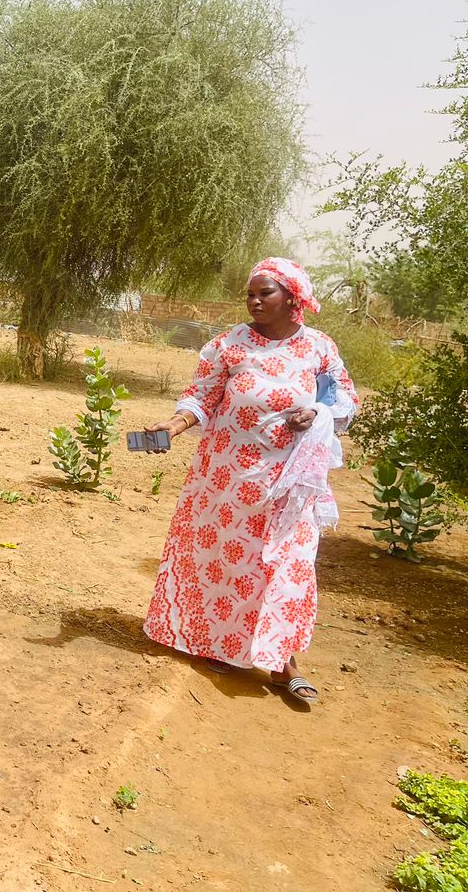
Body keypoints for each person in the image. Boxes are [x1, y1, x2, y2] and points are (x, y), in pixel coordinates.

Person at [141, 257, 358, 705]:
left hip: (289, 481)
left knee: (285, 564)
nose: (255, 301)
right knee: (229, 562)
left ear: (292, 298)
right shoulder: (228, 345)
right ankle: (222, 645)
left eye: (266, 293)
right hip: (226, 478)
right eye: (250, 294)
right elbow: (201, 397)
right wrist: (174, 426)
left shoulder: (319, 349)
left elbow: (344, 402)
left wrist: (316, 412)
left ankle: (285, 666)